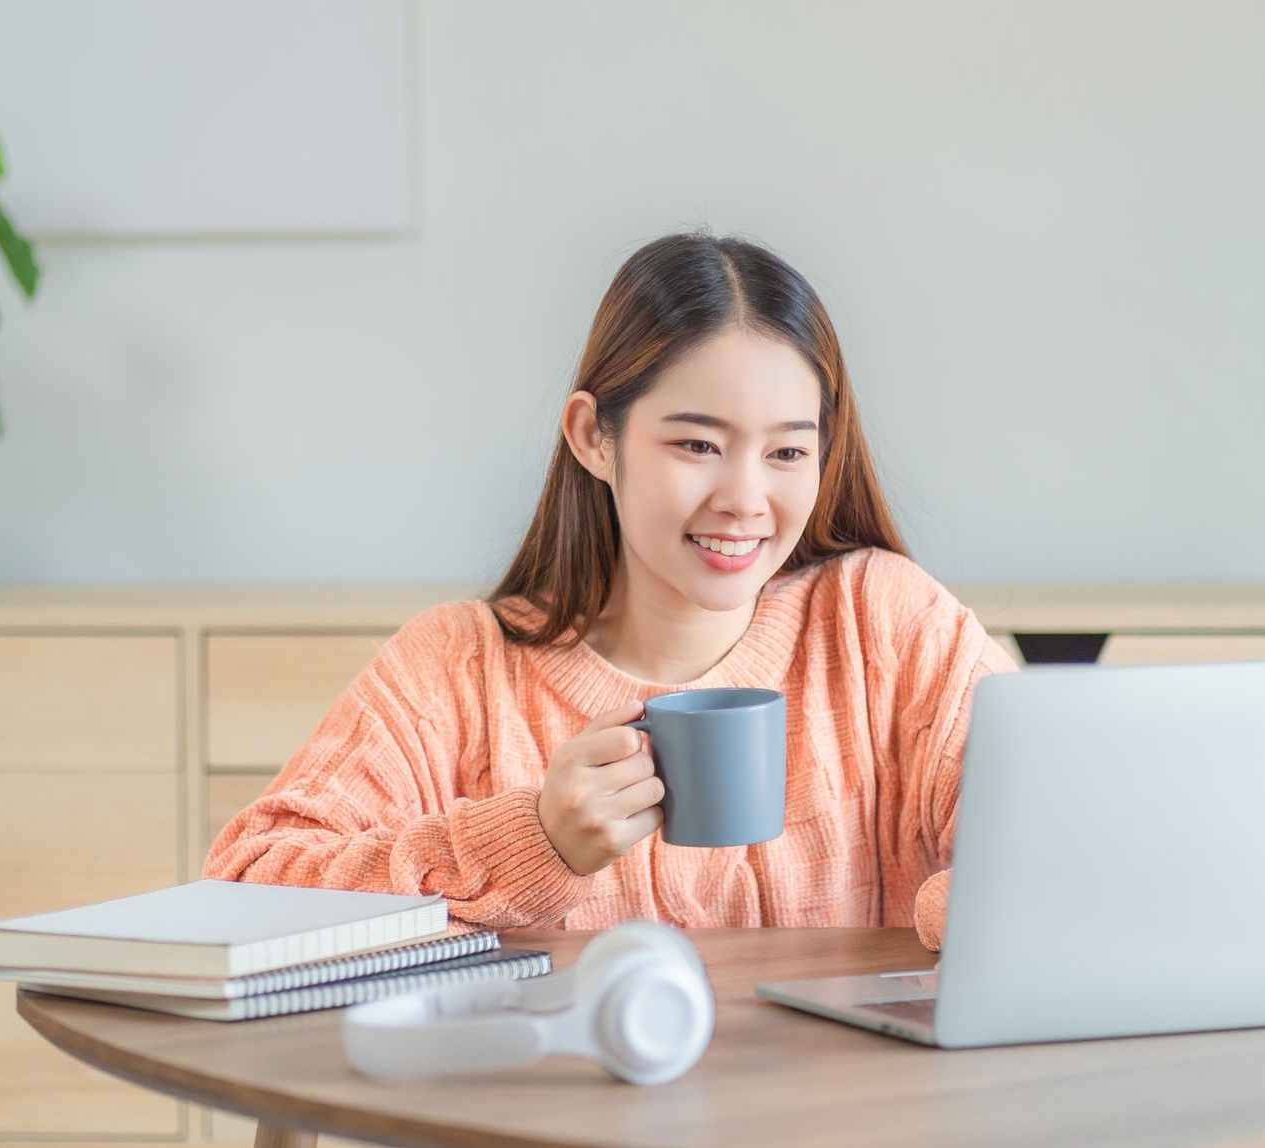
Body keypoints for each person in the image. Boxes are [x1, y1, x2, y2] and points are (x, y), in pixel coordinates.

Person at [204, 233, 1014, 950]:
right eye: (698, 443)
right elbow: (245, 890)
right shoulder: (457, 668)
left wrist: (953, 911)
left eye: (787, 453)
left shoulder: (886, 625)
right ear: (595, 436)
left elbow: (1064, 856)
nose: (744, 497)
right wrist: (533, 841)